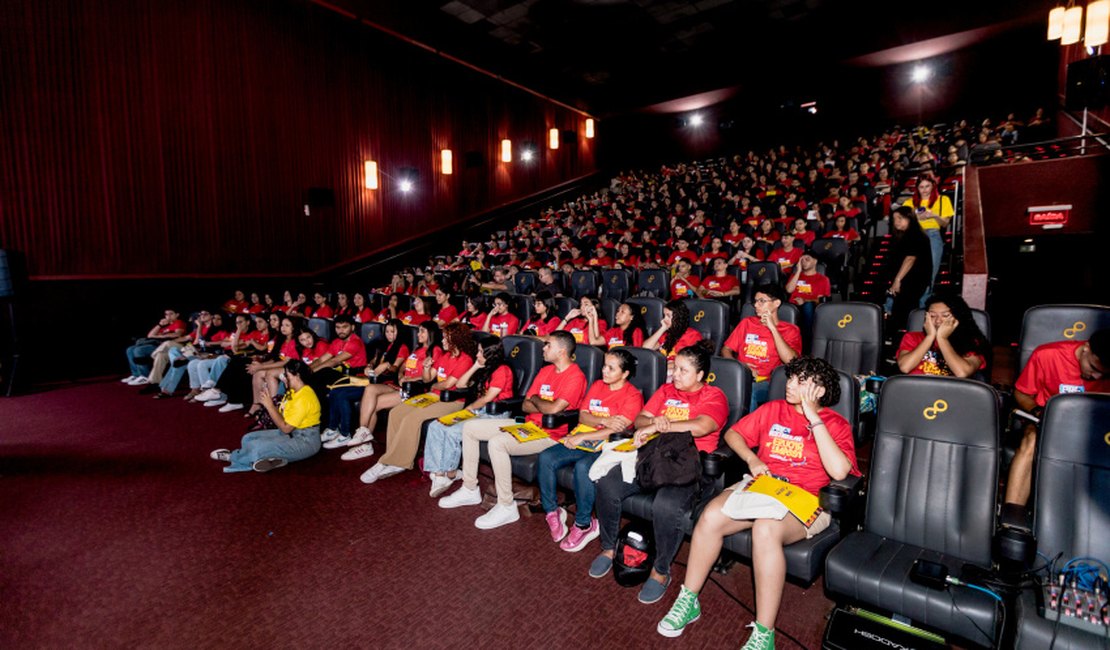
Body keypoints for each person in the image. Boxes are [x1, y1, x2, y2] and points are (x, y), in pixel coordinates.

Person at [656, 357, 858, 649]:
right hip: (764, 488)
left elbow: (839, 472)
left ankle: (765, 633)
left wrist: (814, 419)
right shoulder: (773, 409)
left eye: (800, 381)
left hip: (808, 501)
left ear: (820, 390)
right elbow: (733, 433)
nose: (789, 384)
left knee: (765, 529)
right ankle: (689, 599)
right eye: (790, 378)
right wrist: (752, 458)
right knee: (710, 516)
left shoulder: (835, 424)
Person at [589, 341, 729, 605]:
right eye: (675, 368)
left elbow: (702, 426)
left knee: (665, 505)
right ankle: (609, 548)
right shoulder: (665, 390)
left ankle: (661, 570)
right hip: (652, 457)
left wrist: (665, 425)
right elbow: (641, 419)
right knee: (608, 484)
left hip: (686, 464)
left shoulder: (714, 396)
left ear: (700, 376)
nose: (674, 374)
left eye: (683, 371)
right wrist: (654, 422)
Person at [438, 331, 587, 530]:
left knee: (497, 443)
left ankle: (506, 505)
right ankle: (469, 487)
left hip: (551, 435)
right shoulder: (545, 371)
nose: (542, 348)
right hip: (528, 425)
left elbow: (552, 410)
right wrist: (537, 403)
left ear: (561, 351)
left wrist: (537, 401)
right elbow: (526, 405)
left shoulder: (575, 376)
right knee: (471, 428)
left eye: (547, 345)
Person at [537, 348, 643, 552]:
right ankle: (552, 511)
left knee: (583, 467)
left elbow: (615, 431)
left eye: (611, 368)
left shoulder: (633, 396)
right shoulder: (597, 385)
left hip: (608, 445)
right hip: (583, 438)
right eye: (604, 365)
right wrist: (603, 420)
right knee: (546, 458)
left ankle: (584, 524)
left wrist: (584, 435)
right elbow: (582, 417)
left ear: (625, 373)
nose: (604, 370)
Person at [358, 323, 476, 484]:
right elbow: (428, 379)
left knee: (411, 418)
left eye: (445, 338)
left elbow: (448, 385)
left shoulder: (465, 360)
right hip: (434, 395)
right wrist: (427, 368)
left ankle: (394, 461)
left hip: (452, 400)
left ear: (455, 339)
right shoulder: (444, 356)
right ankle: (394, 458)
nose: (442, 341)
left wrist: (434, 385)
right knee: (397, 412)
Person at [1004, 329, 1109, 506]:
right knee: (1031, 440)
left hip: (1096, 429)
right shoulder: (1048, 355)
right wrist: (1038, 411)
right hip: (1048, 422)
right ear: (1086, 348)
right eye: (1093, 368)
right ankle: (1012, 513)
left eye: (1104, 375)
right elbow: (1021, 393)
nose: (1096, 377)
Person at [324, 320, 441, 451]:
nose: (418, 334)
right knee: (370, 390)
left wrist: (412, 378)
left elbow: (429, 377)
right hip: (400, 384)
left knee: (373, 403)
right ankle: (363, 433)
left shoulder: (435, 350)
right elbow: (403, 366)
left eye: (422, 331)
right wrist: (402, 374)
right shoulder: (417, 349)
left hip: (415, 389)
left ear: (431, 333)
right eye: (418, 331)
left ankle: (364, 443)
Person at [423, 339, 514, 497]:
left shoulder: (502, 370)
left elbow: (488, 398)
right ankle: (439, 473)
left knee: (453, 431)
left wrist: (469, 409)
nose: (477, 354)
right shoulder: (483, 367)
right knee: (436, 426)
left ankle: (449, 473)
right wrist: (475, 366)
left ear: (490, 353)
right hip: (479, 410)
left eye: (480, 351)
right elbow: (460, 385)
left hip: (495, 413)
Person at [208, 360, 322, 473]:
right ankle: (273, 460)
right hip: (292, 434)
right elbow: (283, 417)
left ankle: (234, 457)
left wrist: (270, 406)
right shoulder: (293, 391)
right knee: (248, 438)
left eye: (286, 375)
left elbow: (285, 428)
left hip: (306, 441)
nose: (283, 378)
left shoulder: (304, 398)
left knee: (258, 448)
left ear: (297, 376)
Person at [722, 284, 801, 411]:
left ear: (776, 303)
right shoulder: (747, 323)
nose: (756, 305)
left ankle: (750, 429)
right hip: (740, 376)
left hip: (768, 382)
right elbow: (726, 350)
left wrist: (773, 329)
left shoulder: (790, 330)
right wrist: (741, 367)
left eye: (762, 301)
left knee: (748, 391)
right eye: (755, 301)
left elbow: (791, 361)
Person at [895, 294, 987, 377]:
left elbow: (962, 373)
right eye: (933, 316)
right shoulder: (912, 337)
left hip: (949, 393)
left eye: (945, 315)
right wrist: (929, 337)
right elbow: (905, 367)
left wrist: (942, 339)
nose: (938, 321)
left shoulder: (970, 341)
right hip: (916, 390)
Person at [902, 175, 953, 295]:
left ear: (933, 186)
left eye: (927, 186)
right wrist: (916, 217)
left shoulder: (943, 200)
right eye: (921, 187)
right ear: (917, 188)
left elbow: (945, 223)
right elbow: (902, 222)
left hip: (933, 235)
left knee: (930, 272)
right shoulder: (910, 202)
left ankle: (923, 304)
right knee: (907, 271)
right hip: (914, 235)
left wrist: (934, 215)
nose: (924, 190)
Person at [884, 206, 933, 328]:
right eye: (894, 218)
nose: (896, 221)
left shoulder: (915, 234)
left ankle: (905, 338)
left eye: (900, 218)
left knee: (905, 312)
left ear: (910, 218)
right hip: (907, 280)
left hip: (912, 280)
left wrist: (897, 280)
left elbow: (910, 259)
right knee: (902, 311)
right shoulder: (903, 236)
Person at [122, 309, 187, 385]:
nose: (168, 316)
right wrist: (159, 325)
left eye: (171, 314)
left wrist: (160, 336)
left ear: (177, 314)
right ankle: (136, 374)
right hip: (156, 344)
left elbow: (178, 334)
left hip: (165, 346)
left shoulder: (179, 322)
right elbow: (150, 335)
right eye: (166, 314)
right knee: (130, 349)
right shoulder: (165, 326)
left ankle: (144, 376)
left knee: (139, 350)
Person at [644, 300, 703, 381]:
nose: (664, 319)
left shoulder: (693, 335)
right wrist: (662, 328)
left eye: (668, 316)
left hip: (677, 374)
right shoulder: (666, 334)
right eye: (664, 315)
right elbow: (646, 348)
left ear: (678, 317)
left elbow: (689, 362)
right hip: (660, 369)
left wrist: (658, 367)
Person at [784, 253, 830, 336]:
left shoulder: (823, 279)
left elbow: (821, 301)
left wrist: (805, 300)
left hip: (810, 306)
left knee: (807, 306)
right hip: (793, 305)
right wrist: (798, 271)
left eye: (807, 259)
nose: (804, 262)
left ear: (815, 261)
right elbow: (789, 290)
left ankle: (807, 340)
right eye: (802, 260)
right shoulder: (795, 276)